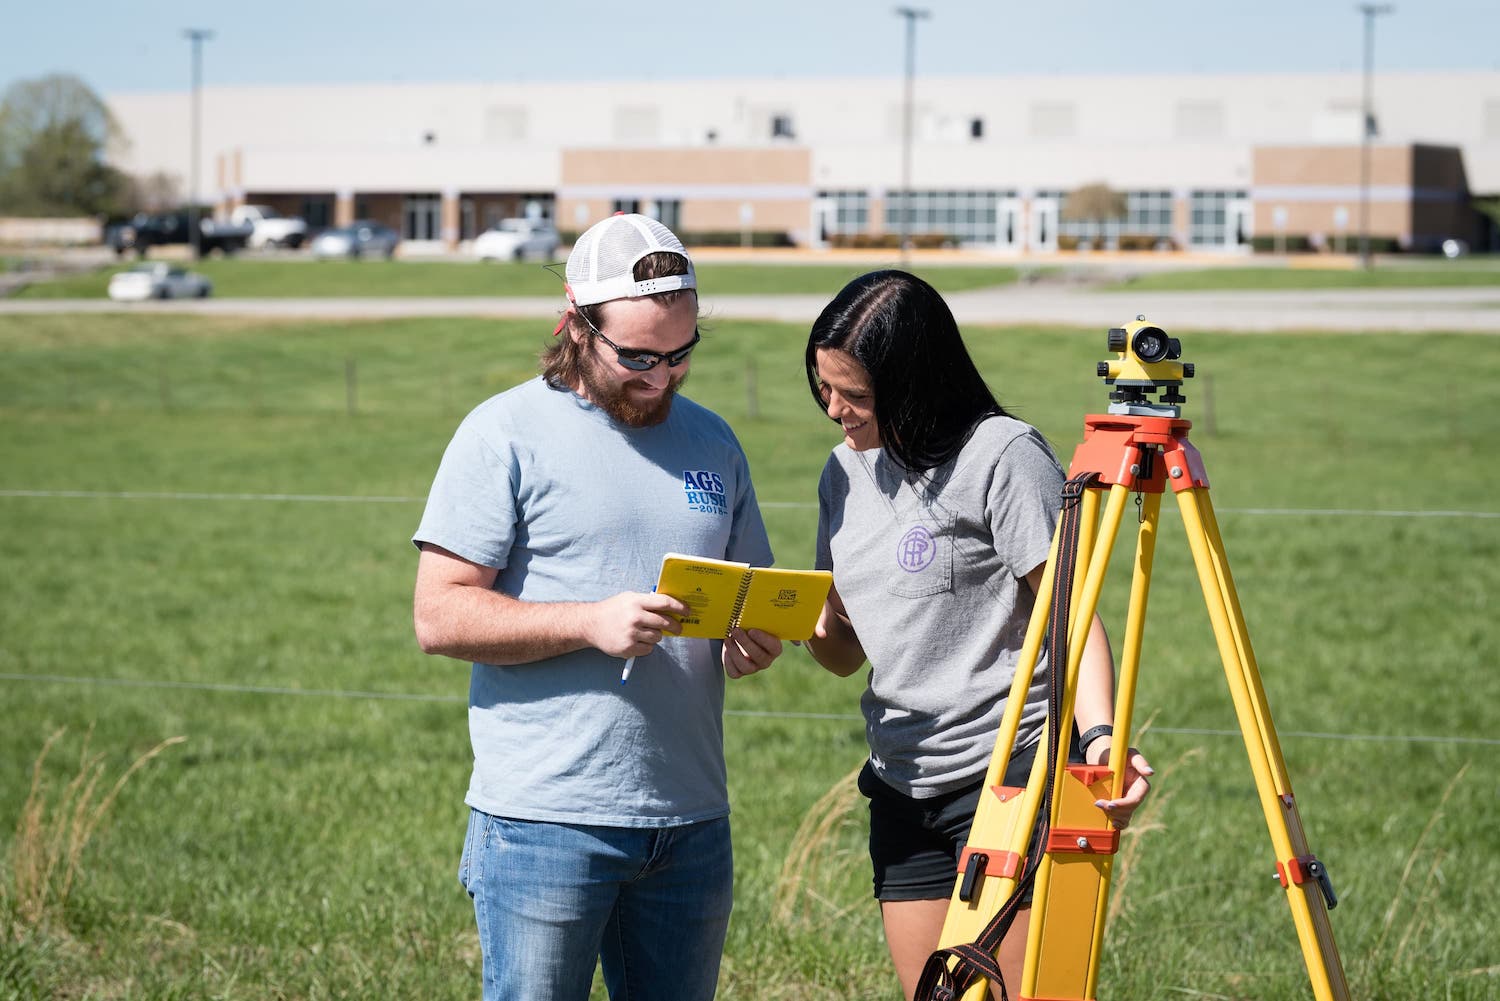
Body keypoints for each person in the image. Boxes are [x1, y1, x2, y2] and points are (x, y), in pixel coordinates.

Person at [411, 213, 783, 1001]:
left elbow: (745, 595)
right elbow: (438, 615)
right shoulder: (502, 433)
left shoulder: (714, 442)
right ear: (575, 324)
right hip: (546, 823)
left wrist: (745, 641)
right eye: (638, 356)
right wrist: (589, 621)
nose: (661, 378)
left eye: (680, 355)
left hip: (689, 821)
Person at [802, 270, 1154, 1000]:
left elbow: (1073, 614)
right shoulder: (841, 474)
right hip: (901, 780)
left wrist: (1098, 743)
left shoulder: (1001, 454)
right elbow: (845, 655)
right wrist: (807, 625)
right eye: (823, 389)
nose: (835, 410)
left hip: (1006, 776)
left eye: (855, 395)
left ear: (914, 382)